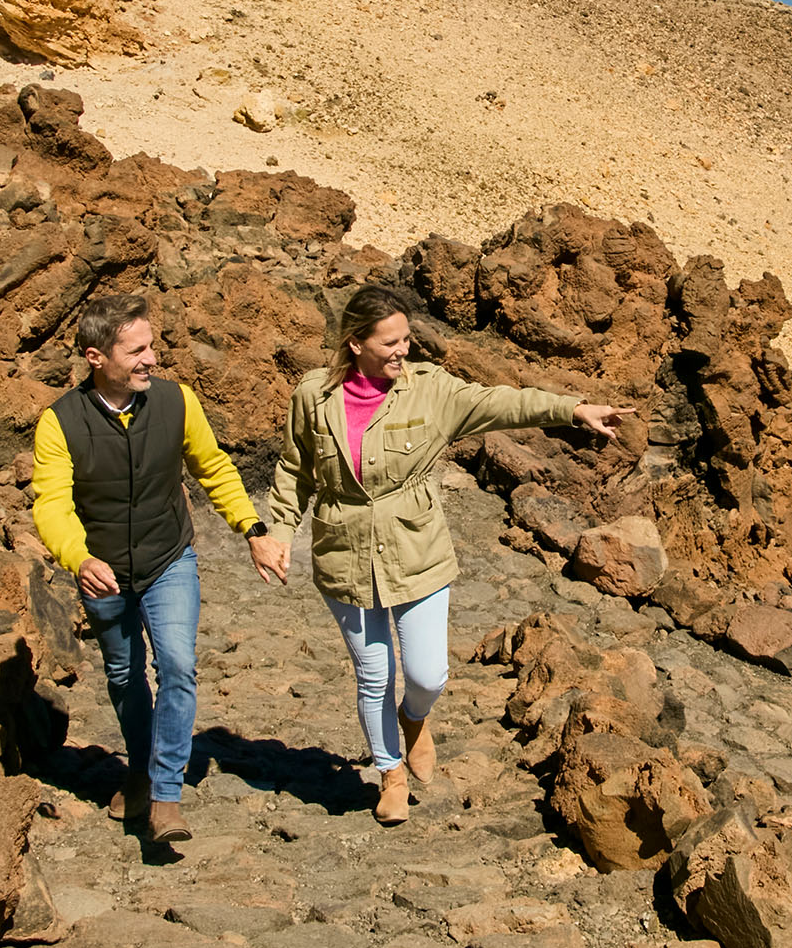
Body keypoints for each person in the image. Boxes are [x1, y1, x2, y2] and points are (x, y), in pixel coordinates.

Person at [266, 283, 625, 824]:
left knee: (428, 675)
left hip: (418, 548)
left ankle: (414, 718)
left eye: (406, 339)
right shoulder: (313, 395)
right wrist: (275, 531)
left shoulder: (430, 390)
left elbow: (502, 402)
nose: (401, 351)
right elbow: (295, 471)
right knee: (372, 672)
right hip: (343, 552)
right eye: (389, 342)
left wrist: (573, 409)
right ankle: (389, 773)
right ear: (356, 342)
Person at [31, 293, 289, 843]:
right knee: (125, 678)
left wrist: (254, 530)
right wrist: (78, 556)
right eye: (137, 350)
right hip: (101, 572)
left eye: (152, 346)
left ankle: (166, 794)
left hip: (169, 558)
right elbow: (50, 503)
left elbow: (214, 468)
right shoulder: (59, 422)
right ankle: (142, 773)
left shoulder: (178, 402)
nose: (151, 359)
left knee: (176, 664)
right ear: (96, 356)